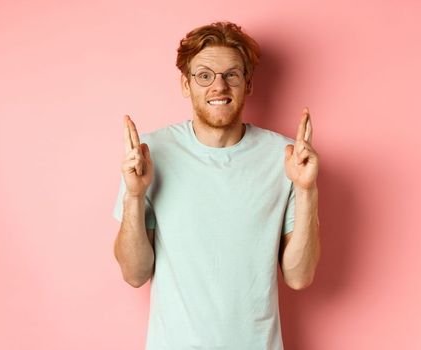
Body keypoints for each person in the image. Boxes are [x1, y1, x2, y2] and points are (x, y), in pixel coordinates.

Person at [112, 21, 321, 350]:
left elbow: (299, 276)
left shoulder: (285, 158)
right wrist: (134, 196)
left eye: (231, 75)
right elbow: (135, 274)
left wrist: (307, 190)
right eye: (205, 75)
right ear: (186, 84)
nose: (218, 86)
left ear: (247, 84)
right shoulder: (151, 154)